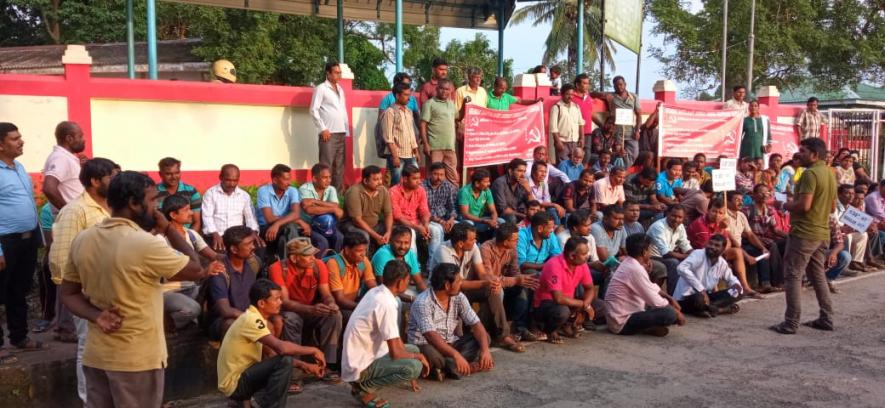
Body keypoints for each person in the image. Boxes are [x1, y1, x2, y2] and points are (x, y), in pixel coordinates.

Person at [61, 171, 220, 406]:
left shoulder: (84, 238)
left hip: (96, 357)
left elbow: (69, 294)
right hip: (136, 359)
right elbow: (196, 270)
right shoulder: (143, 243)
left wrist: (97, 316)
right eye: (153, 200)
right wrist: (168, 229)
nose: (157, 207)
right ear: (134, 203)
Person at [46, 158, 117, 400]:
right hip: (87, 294)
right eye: (112, 176)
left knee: (111, 348)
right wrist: (78, 293)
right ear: (95, 181)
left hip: (113, 293)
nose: (117, 181)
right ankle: (89, 401)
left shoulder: (113, 208)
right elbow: (60, 257)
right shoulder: (74, 211)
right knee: (88, 348)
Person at [217, 279, 325, 408]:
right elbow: (282, 349)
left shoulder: (255, 318)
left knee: (283, 362)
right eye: (276, 299)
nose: (281, 302)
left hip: (244, 377)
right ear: (262, 303)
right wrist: (313, 350)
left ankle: (246, 402)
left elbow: (271, 354)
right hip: (235, 384)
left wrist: (305, 365)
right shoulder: (251, 319)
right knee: (284, 361)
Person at [770, 138, 837, 334]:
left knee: (793, 275)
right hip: (821, 232)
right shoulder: (829, 173)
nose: (799, 154)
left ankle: (791, 322)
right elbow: (832, 206)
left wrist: (783, 205)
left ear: (814, 155)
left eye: (804, 151)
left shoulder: (810, 174)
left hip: (804, 232)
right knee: (817, 276)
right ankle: (826, 317)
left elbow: (804, 206)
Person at [342, 260, 429, 408]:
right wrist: (417, 359)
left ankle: (362, 384)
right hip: (360, 365)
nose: (408, 283)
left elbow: (395, 339)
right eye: (408, 280)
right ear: (400, 281)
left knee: (414, 350)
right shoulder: (386, 303)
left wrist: (414, 356)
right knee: (414, 367)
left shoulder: (378, 291)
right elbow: (395, 353)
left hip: (367, 354)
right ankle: (363, 389)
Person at [268, 237, 343, 382]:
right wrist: (311, 309)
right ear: (294, 258)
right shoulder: (277, 268)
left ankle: (327, 364)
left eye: (313, 255)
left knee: (335, 315)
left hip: (310, 309)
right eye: (308, 255)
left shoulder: (319, 265)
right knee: (290, 318)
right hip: (290, 310)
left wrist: (331, 304)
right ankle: (294, 371)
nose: (313, 259)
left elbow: (326, 293)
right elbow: (285, 302)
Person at [408, 263, 494, 380]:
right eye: (458, 281)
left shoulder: (459, 297)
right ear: (447, 285)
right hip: (426, 344)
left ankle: (449, 369)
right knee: (435, 357)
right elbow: (431, 336)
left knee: (485, 338)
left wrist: (485, 350)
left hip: (451, 342)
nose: (461, 284)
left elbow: (476, 324)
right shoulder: (422, 302)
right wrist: (456, 355)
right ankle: (462, 367)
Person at [0, 123, 42, 361]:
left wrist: (38, 237)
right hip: (4, 241)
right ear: (0, 144)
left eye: (20, 137)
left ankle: (19, 337)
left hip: (27, 241)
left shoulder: (18, 167)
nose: (21, 141)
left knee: (18, 290)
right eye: (15, 138)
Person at [605, 234, 686, 336]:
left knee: (664, 307)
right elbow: (654, 300)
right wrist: (676, 313)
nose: (650, 253)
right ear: (644, 252)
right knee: (669, 314)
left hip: (628, 313)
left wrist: (669, 298)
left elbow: (650, 287)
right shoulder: (634, 269)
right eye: (649, 250)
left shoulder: (631, 263)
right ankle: (645, 328)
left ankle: (647, 327)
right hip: (622, 322)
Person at [161, 194, 219, 331]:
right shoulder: (160, 239)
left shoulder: (191, 234)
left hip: (192, 288)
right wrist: (203, 273)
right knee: (192, 309)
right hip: (168, 291)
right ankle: (162, 327)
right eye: (187, 210)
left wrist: (236, 255)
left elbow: (213, 255)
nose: (192, 213)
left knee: (217, 284)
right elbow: (166, 276)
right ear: (173, 215)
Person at [479, 223, 536, 351]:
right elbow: (489, 278)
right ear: (505, 242)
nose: (518, 241)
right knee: (497, 291)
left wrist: (519, 280)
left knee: (526, 285)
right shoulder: (486, 249)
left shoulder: (512, 249)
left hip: (503, 282)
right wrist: (515, 280)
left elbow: (515, 273)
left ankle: (520, 327)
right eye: (515, 239)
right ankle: (503, 335)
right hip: (485, 285)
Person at [207, 226, 260, 342]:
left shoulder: (253, 263)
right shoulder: (220, 271)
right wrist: (254, 319)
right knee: (232, 324)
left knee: (277, 319)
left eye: (253, 243)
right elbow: (225, 311)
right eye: (248, 244)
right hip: (222, 321)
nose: (253, 247)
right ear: (234, 249)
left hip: (247, 314)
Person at [673, 234, 742, 317]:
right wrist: (701, 289)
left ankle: (710, 309)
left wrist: (736, 285)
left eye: (716, 245)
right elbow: (681, 268)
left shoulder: (722, 263)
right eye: (710, 244)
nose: (712, 247)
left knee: (738, 292)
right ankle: (719, 309)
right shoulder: (698, 254)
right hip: (686, 299)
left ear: (723, 249)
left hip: (706, 297)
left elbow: (732, 279)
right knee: (699, 299)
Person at [257, 164, 314, 260]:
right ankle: (297, 260)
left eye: (289, 179)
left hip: (283, 228)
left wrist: (278, 223)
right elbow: (270, 218)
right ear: (275, 180)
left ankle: (287, 265)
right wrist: (299, 221)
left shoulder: (292, 191)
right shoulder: (263, 191)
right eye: (286, 179)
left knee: (284, 238)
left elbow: (296, 213)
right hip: (267, 228)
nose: (289, 183)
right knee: (291, 226)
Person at [202, 164, 261, 253]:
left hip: (238, 238)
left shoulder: (244, 196)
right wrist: (215, 234)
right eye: (228, 180)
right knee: (221, 254)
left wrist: (253, 233)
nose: (232, 184)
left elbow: (250, 218)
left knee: (259, 248)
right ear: (221, 177)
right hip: (217, 235)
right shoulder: (210, 194)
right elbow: (207, 217)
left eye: (235, 180)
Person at [310, 61, 349, 191]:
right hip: (328, 134)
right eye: (336, 72)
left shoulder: (340, 89)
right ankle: (323, 195)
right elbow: (313, 110)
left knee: (339, 167)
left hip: (341, 133)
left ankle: (336, 196)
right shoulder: (321, 88)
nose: (339, 75)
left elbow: (342, 110)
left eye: (340, 72)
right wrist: (322, 129)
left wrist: (346, 130)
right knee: (326, 167)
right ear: (328, 74)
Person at [745, 185, 788, 292]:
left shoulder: (770, 210)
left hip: (766, 238)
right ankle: (774, 282)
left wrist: (790, 236)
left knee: (790, 242)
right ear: (754, 195)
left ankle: (793, 277)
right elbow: (745, 232)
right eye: (760, 192)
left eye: (767, 192)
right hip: (751, 239)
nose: (764, 195)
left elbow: (775, 230)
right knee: (772, 245)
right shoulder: (747, 210)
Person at [593, 76, 642, 167]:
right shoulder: (610, 96)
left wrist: (637, 130)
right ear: (614, 86)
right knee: (618, 153)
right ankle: (616, 171)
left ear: (625, 84)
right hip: (615, 132)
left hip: (631, 131)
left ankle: (622, 170)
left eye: (621, 84)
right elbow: (593, 94)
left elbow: (639, 114)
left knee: (634, 153)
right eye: (616, 86)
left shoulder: (634, 97)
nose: (619, 87)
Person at [371, 226, 429, 301]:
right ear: (390, 240)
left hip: (399, 291)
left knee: (424, 296)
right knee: (397, 301)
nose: (402, 247)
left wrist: (428, 297)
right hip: (380, 295)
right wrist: (413, 299)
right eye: (398, 242)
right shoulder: (382, 255)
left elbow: (419, 281)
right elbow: (386, 289)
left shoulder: (410, 254)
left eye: (406, 243)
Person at [342, 165, 393, 251]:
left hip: (375, 225)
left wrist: (388, 232)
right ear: (365, 181)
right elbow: (357, 220)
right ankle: (364, 263)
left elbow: (388, 213)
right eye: (376, 179)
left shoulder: (383, 190)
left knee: (395, 232)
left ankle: (386, 261)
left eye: (380, 178)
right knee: (364, 236)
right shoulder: (354, 192)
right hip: (352, 225)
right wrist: (376, 236)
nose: (380, 182)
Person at [647, 205, 693, 294]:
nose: (676, 219)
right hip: (652, 257)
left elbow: (685, 245)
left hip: (664, 257)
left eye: (680, 217)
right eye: (673, 216)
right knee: (673, 263)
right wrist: (687, 256)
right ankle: (673, 295)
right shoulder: (658, 227)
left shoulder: (680, 226)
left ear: (683, 218)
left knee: (695, 260)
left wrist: (695, 254)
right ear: (667, 214)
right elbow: (666, 253)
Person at [420, 78, 459, 185]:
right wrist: (426, 144)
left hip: (450, 147)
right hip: (434, 147)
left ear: (450, 91)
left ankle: (453, 201)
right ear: (437, 89)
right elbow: (423, 125)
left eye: (447, 89)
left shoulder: (451, 104)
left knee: (453, 178)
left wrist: (465, 104)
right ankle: (431, 201)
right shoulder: (429, 103)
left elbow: (458, 118)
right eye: (442, 88)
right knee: (433, 177)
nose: (444, 91)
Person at [390, 165, 436, 253]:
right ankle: (412, 263)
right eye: (415, 179)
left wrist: (425, 224)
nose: (419, 182)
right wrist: (418, 228)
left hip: (417, 223)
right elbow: (398, 217)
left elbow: (424, 210)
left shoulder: (420, 190)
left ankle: (432, 264)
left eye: (419, 178)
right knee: (411, 233)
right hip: (400, 225)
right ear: (405, 179)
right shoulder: (393, 192)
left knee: (436, 230)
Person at [299, 163, 345, 253]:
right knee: (322, 242)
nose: (328, 180)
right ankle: (318, 265)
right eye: (324, 178)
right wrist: (332, 208)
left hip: (327, 224)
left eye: (329, 177)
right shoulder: (304, 189)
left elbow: (336, 205)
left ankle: (334, 262)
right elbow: (309, 210)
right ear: (315, 179)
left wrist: (314, 201)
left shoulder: (331, 189)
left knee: (339, 238)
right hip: (309, 226)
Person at [327, 232, 376, 314]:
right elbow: (340, 300)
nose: (363, 254)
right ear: (347, 250)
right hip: (338, 308)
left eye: (365, 250)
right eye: (359, 251)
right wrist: (364, 308)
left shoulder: (364, 260)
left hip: (353, 303)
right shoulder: (334, 264)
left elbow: (372, 286)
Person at [382, 82, 420, 185]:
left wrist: (416, 151)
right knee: (397, 184)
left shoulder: (408, 111)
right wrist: (395, 157)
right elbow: (388, 137)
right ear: (398, 96)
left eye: (409, 95)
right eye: (406, 95)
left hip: (410, 154)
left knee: (415, 183)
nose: (409, 98)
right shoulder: (390, 112)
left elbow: (411, 133)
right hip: (398, 155)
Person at [42, 121, 85, 210]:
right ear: (69, 138)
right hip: (73, 220)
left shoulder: (65, 157)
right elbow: (49, 188)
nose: (83, 140)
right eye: (80, 136)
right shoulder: (60, 158)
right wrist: (68, 212)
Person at [156, 157, 202, 232]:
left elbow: (196, 222)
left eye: (177, 173)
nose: (174, 177)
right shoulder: (153, 193)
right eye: (168, 174)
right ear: (160, 174)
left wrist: (188, 239)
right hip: (162, 236)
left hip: (187, 235)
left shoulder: (191, 191)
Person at [458, 169, 502, 236]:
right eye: (486, 182)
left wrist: (494, 220)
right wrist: (484, 221)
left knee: (501, 222)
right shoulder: (464, 192)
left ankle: (494, 244)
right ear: (477, 183)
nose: (489, 184)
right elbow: (465, 214)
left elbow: (493, 211)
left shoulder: (487, 191)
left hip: (480, 220)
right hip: (466, 221)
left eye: (489, 181)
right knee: (469, 225)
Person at [549, 83, 585, 163]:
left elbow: (581, 124)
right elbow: (553, 128)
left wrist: (582, 138)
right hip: (562, 142)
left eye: (572, 94)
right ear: (562, 94)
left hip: (575, 142)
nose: (570, 97)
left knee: (574, 164)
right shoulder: (556, 107)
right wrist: (558, 142)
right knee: (563, 165)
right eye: (567, 94)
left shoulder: (576, 107)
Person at [491, 158, 535, 225]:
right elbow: (503, 209)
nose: (523, 174)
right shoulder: (500, 183)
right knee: (512, 217)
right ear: (510, 171)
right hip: (502, 216)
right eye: (520, 171)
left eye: (524, 171)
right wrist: (523, 216)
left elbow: (533, 204)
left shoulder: (522, 183)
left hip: (518, 214)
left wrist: (528, 191)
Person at [424, 162, 458, 242]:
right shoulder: (422, 187)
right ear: (429, 174)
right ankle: (436, 254)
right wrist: (441, 222)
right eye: (435, 174)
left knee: (462, 228)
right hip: (428, 220)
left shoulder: (448, 186)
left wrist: (451, 219)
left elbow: (452, 206)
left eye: (441, 175)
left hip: (445, 218)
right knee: (438, 230)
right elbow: (425, 211)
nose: (439, 177)